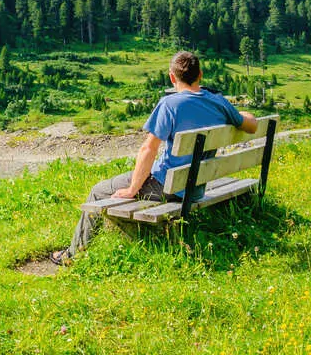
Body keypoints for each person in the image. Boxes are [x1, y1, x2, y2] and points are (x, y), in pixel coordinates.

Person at [50, 50, 258, 266]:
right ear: (200, 75)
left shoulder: (170, 104)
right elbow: (251, 125)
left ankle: (73, 256)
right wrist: (242, 115)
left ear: (172, 77)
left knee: (98, 190)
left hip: (169, 186)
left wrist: (132, 190)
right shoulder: (218, 102)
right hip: (196, 188)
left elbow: (148, 150)